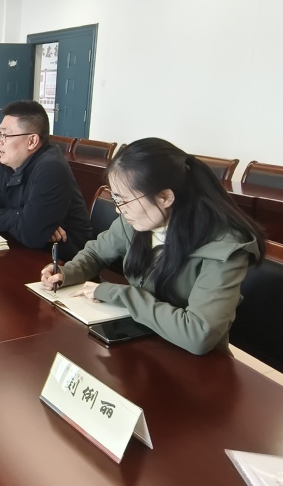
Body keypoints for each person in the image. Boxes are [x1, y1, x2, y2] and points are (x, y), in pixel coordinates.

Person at [40, 138, 265, 355]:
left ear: (165, 197)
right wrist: (66, 273)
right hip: (138, 342)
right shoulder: (137, 221)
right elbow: (96, 253)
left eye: (124, 201)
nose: (119, 210)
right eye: (116, 199)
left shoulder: (224, 248)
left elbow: (199, 334)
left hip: (193, 364)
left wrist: (120, 293)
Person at [0, 100, 91, 260]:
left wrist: (26, 223)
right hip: (25, 249)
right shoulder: (8, 163)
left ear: (32, 141)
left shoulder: (51, 167)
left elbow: (31, 234)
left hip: (64, 261)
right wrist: (23, 216)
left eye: (5, 135)